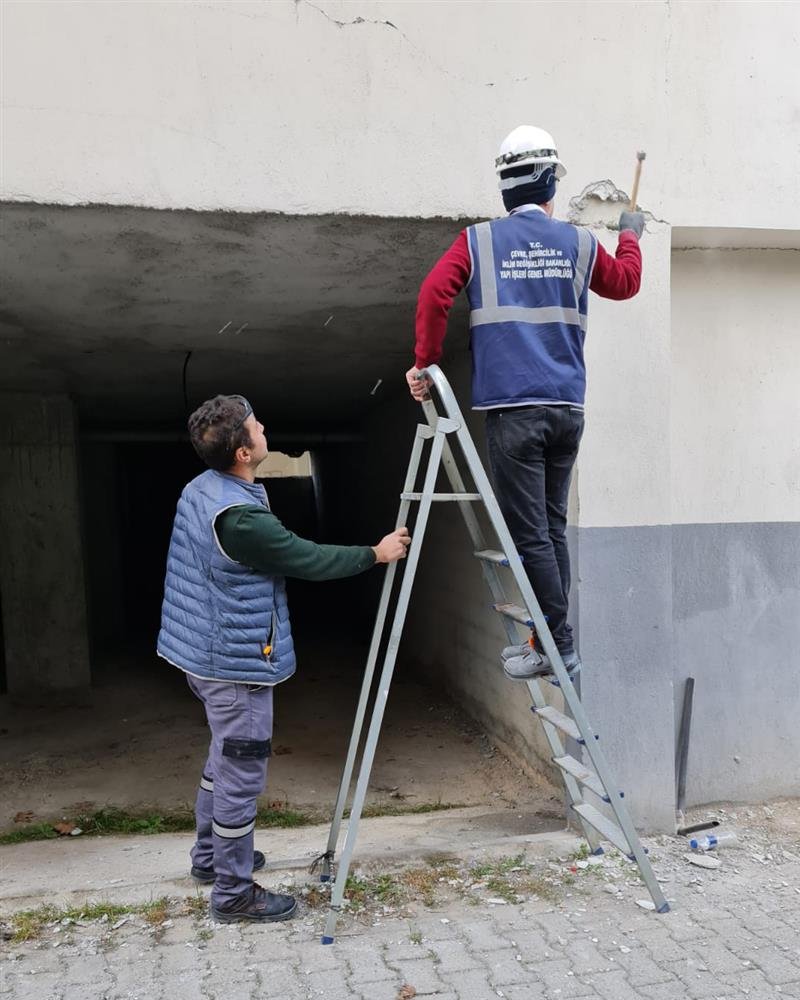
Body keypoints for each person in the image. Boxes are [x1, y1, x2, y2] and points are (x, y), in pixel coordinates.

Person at [157, 394, 410, 923]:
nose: (264, 426)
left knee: (224, 758)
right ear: (244, 453)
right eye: (255, 426)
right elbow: (307, 558)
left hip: (201, 651)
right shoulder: (242, 520)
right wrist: (376, 553)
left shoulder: (203, 488)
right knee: (241, 775)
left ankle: (210, 858)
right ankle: (232, 892)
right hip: (232, 663)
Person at [406, 125, 644, 683]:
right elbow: (627, 282)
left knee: (530, 533)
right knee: (551, 528)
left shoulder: (478, 242)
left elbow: (433, 294)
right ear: (548, 184)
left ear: (505, 187)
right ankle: (551, 640)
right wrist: (629, 233)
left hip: (513, 410)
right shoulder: (581, 242)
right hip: (566, 408)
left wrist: (425, 363)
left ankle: (556, 646)